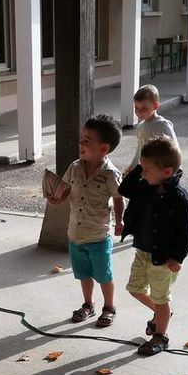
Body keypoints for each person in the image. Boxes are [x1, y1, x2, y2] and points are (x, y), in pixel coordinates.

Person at [119, 136, 188, 356]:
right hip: (142, 251)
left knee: (162, 298)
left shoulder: (180, 199)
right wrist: (138, 169)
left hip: (164, 258)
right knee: (134, 289)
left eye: (147, 169)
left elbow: (186, 232)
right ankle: (162, 313)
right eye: (142, 169)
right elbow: (125, 189)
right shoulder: (145, 185)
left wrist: (178, 258)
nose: (142, 174)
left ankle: (160, 336)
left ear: (167, 172)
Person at [46, 115, 124, 328]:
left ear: (104, 148)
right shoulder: (74, 167)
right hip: (75, 235)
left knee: (104, 275)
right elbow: (66, 190)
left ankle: (109, 307)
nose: (81, 143)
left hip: (98, 235)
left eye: (87, 140)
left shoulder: (110, 174)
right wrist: (56, 200)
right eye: (81, 138)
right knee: (83, 273)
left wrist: (120, 222)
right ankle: (88, 304)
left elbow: (118, 199)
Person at [127, 84, 178, 174]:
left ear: (155, 106)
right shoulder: (140, 127)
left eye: (144, 108)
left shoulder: (163, 125)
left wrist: (174, 171)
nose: (139, 112)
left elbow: (174, 148)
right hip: (148, 169)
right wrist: (133, 166)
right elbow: (140, 148)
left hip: (163, 169)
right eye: (136, 108)